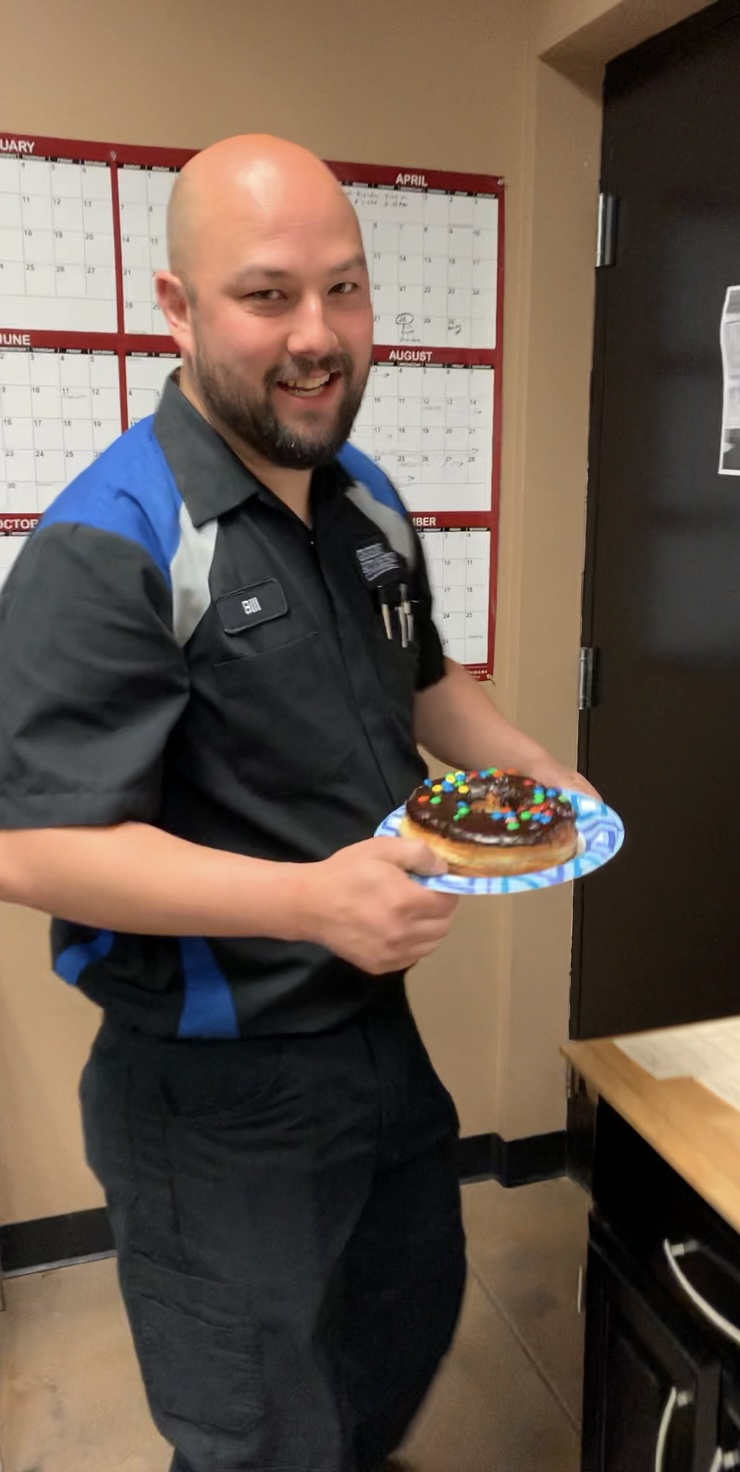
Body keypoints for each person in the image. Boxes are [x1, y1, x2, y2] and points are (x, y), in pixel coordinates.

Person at [0, 135, 596, 1472]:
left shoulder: (369, 501)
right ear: (178, 308)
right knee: (259, 1431)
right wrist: (309, 901)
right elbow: (32, 844)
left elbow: (430, 685)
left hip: (372, 1044)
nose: (319, 335)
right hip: (207, 1088)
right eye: (268, 295)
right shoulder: (111, 539)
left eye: (347, 289)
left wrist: (536, 771)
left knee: (400, 1326)